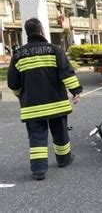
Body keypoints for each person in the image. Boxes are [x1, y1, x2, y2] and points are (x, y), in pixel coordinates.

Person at [7, 18, 82, 181]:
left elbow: (13, 84)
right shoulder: (54, 50)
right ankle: (64, 160)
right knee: (60, 133)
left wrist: (20, 94)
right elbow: (66, 73)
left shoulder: (18, 55)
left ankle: (39, 170)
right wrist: (75, 91)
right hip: (57, 104)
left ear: (27, 34)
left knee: (37, 137)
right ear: (41, 31)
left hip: (32, 107)